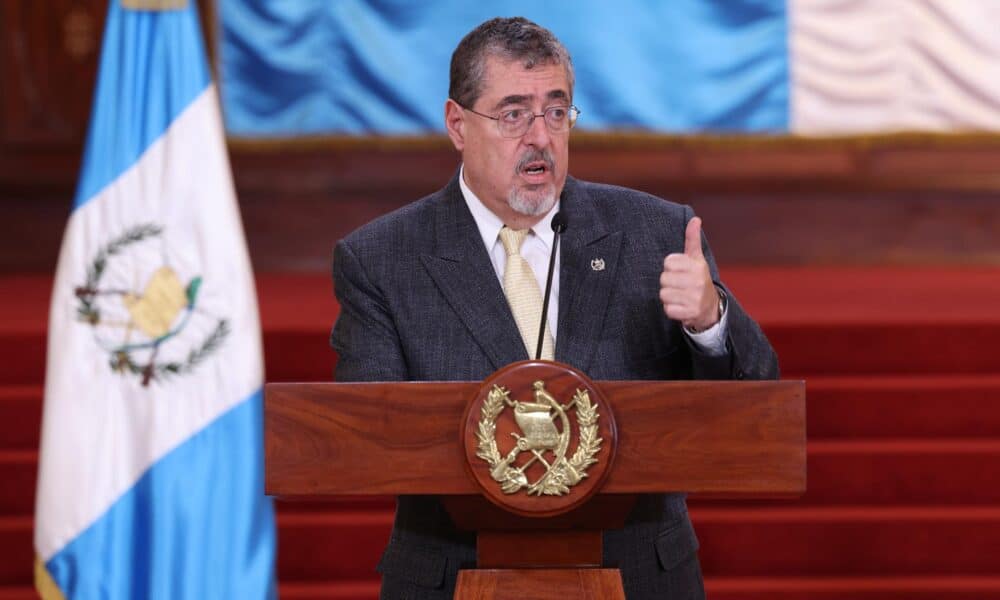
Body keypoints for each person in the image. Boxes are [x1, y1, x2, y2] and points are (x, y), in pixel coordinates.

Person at [331, 16, 779, 600]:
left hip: (636, 575)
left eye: (557, 110)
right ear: (458, 125)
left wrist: (710, 321)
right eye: (513, 113)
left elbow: (755, 405)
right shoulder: (382, 258)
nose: (540, 136)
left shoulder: (656, 234)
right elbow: (372, 436)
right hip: (454, 575)